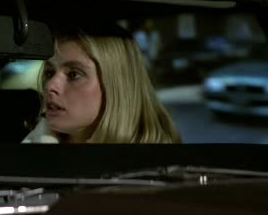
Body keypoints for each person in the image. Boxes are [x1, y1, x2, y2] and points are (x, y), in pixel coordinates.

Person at [22, 23, 181, 144]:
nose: (50, 86)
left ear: (117, 86)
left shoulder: (162, 165)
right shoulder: (31, 146)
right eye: (50, 73)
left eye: (73, 74)